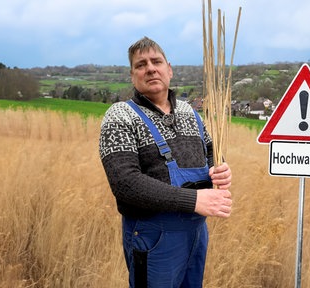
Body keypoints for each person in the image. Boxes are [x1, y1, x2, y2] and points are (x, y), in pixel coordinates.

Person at [99, 36, 233, 288]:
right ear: (132, 75)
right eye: (141, 65)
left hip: (195, 233)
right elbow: (125, 184)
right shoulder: (119, 115)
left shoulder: (190, 112)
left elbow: (212, 153)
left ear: (168, 69)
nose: (150, 68)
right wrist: (194, 200)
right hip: (153, 237)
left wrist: (221, 169)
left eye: (156, 61)